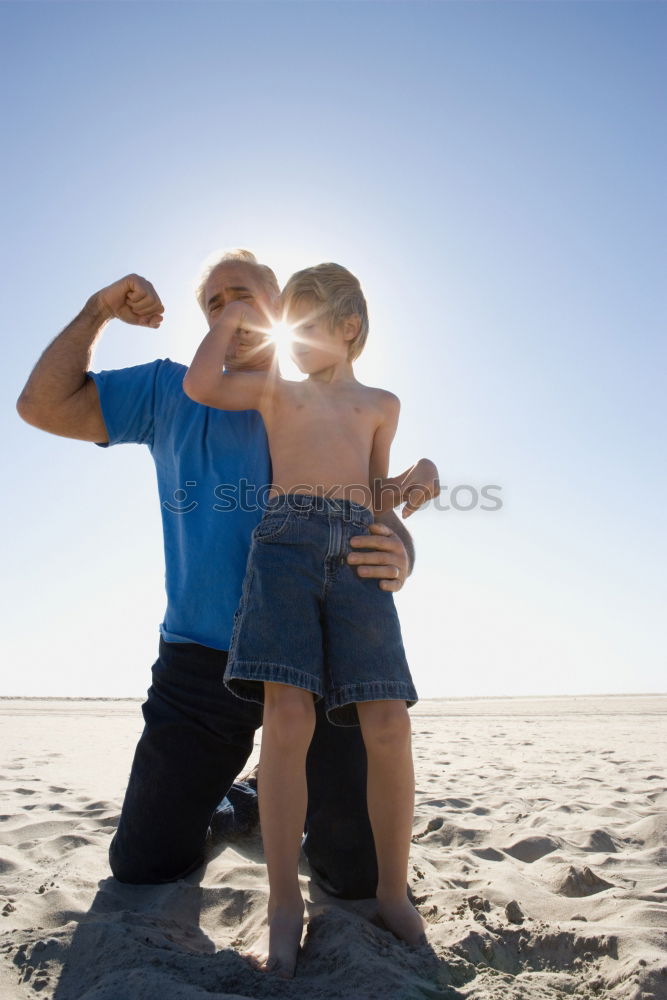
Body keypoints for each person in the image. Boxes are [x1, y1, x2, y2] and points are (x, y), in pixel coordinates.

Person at [16, 250, 438, 903]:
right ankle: (239, 803)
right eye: (214, 302)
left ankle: (280, 805)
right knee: (145, 864)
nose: (230, 310)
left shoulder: (319, 400)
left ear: (285, 312)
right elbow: (41, 405)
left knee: (353, 876)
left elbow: (363, 503)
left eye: (244, 296)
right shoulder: (168, 392)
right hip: (200, 662)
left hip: (320, 663)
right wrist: (100, 308)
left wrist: (401, 549)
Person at [184, 262, 427, 977]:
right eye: (289, 324)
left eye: (310, 324)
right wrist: (233, 316)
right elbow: (201, 384)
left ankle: (390, 891)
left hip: (356, 550)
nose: (294, 341)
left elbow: (375, 495)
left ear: (348, 328)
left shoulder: (381, 402)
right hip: (284, 546)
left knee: (389, 723)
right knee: (287, 720)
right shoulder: (273, 391)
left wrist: (418, 478)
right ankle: (284, 902)